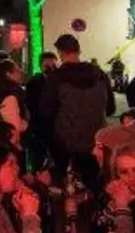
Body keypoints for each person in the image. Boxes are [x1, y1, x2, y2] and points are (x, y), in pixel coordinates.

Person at [36, 34, 114, 187]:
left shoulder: (56, 78)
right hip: (96, 143)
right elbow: (111, 109)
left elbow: (45, 113)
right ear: (79, 50)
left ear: (60, 52)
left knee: (67, 189)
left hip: (66, 146)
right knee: (96, 185)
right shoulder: (99, 75)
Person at [0, 57, 28, 139]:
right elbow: (15, 126)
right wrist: (27, 122)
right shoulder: (9, 96)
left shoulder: (0, 93)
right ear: (8, 74)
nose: (21, 72)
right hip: (10, 143)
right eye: (17, 70)